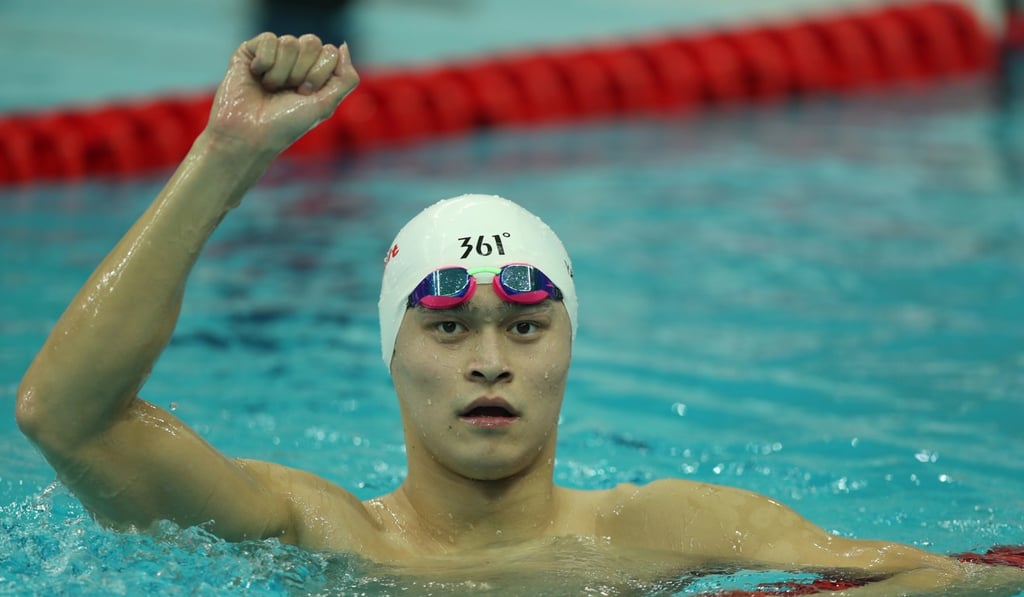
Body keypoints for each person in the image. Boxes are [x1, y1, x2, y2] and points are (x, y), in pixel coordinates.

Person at [15, 33, 1024, 595]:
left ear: (568, 348)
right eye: (449, 327)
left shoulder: (670, 525)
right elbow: (67, 418)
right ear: (392, 353)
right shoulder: (319, 533)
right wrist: (226, 155)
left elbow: (956, 580)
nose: (489, 359)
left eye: (527, 325)